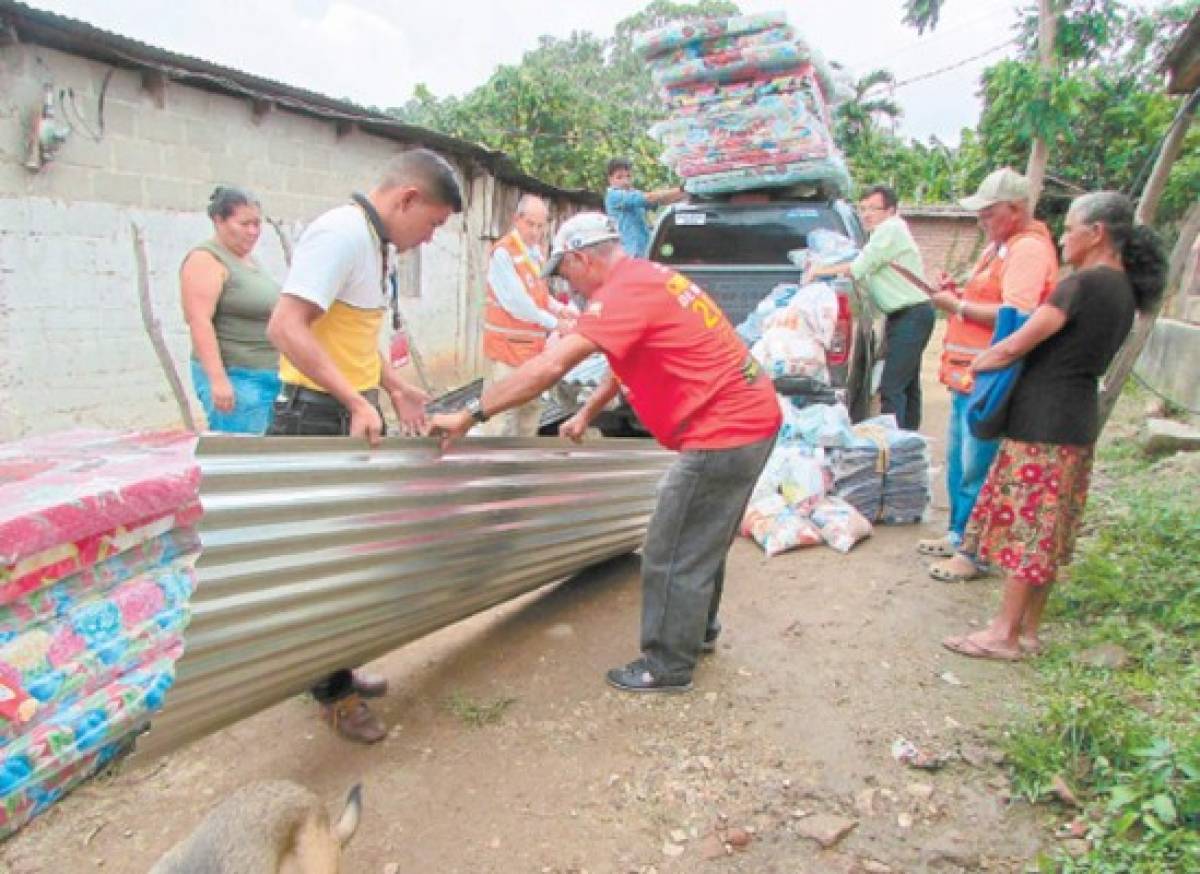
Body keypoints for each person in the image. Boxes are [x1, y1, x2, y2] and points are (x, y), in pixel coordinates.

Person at [432, 213, 781, 694]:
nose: (566, 281)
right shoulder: (649, 278)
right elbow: (627, 358)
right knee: (702, 535)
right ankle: (696, 632)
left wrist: (471, 413)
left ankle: (666, 665)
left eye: (565, 270)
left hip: (725, 430)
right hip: (749, 418)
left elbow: (552, 364)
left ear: (582, 257)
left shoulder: (622, 292)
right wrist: (586, 413)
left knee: (670, 544)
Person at [265, 149, 463, 742]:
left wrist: (393, 385)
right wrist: (354, 401)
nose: (428, 239)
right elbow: (285, 326)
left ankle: (335, 669)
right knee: (322, 560)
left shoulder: (375, 246)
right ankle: (332, 694)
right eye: (430, 224)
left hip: (340, 407)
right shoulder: (339, 234)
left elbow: (351, 336)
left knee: (348, 553)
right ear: (406, 199)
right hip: (311, 415)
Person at [942, 192, 1165, 661]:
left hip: (1041, 424)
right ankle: (1027, 632)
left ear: (1097, 233)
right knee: (1048, 531)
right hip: (1076, 420)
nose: (1063, 238)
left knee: (1027, 528)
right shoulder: (1125, 292)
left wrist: (978, 363)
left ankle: (1001, 633)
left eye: (1069, 229)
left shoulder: (1080, 287)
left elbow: (1015, 345)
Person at [917, 167, 1059, 581]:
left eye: (988, 214)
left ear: (1015, 210)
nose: (982, 222)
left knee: (980, 466)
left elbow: (1018, 315)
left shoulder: (1027, 250)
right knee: (960, 462)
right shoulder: (1001, 246)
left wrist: (957, 307)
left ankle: (974, 552)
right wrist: (958, 294)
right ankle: (960, 534)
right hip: (969, 378)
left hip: (992, 379)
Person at [805, 185, 935, 429]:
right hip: (908, 315)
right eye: (862, 209)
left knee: (892, 387)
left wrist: (818, 270)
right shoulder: (884, 234)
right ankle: (908, 442)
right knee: (907, 384)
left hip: (911, 315)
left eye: (873, 209)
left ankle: (894, 444)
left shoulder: (890, 229)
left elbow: (857, 268)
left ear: (891, 211)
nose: (866, 214)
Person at [181, 186, 281, 433]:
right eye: (244, 223)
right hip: (237, 378)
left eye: (257, 224)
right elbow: (199, 321)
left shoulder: (248, 261)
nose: (253, 231)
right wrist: (218, 379)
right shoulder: (206, 260)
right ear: (219, 221)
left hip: (266, 375)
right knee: (246, 458)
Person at [482, 194, 577, 436]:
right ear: (517, 220)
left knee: (530, 412)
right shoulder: (504, 253)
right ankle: (495, 469)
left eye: (540, 226)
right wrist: (556, 323)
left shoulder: (534, 253)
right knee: (500, 417)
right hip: (505, 352)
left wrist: (558, 308)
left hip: (532, 351)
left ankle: (523, 468)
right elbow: (518, 303)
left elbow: (538, 293)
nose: (535, 231)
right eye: (530, 224)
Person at [603, 157, 686, 258]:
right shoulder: (614, 196)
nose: (625, 181)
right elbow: (650, 198)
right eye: (619, 177)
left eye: (628, 177)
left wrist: (685, 193)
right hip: (630, 254)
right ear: (610, 179)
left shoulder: (633, 192)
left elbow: (660, 201)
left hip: (645, 251)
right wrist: (682, 189)